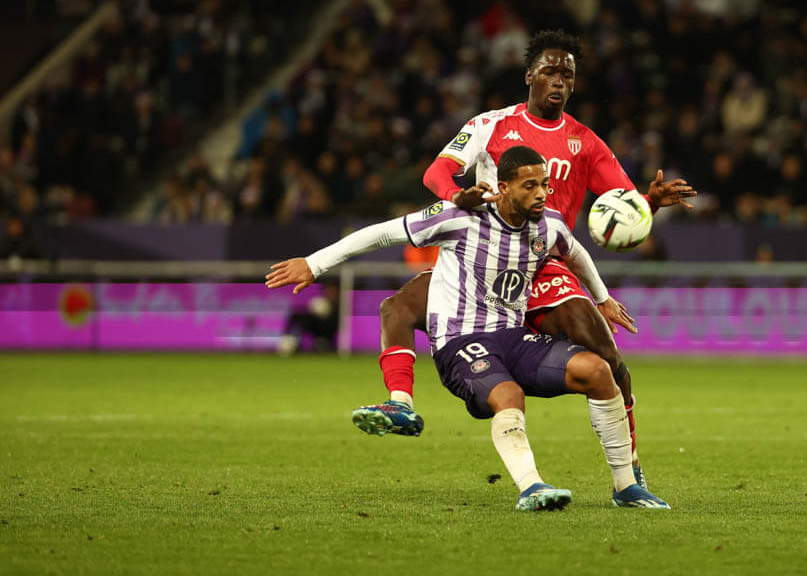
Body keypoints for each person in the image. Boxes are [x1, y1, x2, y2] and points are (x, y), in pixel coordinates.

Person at [371, 31, 696, 484]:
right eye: (550, 71)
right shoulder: (490, 125)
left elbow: (623, 207)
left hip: (544, 265)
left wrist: (650, 203)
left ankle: (631, 470)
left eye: (568, 75)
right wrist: (456, 198)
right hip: (479, 259)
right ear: (529, 76)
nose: (559, 81)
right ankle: (401, 404)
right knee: (398, 307)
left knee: (607, 357)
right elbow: (437, 171)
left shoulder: (585, 142)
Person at [265, 146, 669, 510]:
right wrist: (314, 264)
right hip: (460, 341)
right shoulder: (460, 217)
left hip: (514, 337)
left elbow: (576, 252)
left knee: (598, 371)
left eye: (545, 184)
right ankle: (532, 486)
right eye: (530, 186)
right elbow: (383, 233)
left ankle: (626, 486)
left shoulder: (549, 225)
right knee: (507, 394)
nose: (542, 194)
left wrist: (602, 297)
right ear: (503, 187)